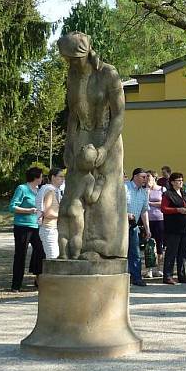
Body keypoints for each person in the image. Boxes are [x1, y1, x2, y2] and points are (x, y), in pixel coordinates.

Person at [56, 31, 128, 262]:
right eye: (67, 59)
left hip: (107, 137)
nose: (70, 63)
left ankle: (104, 248)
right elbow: (72, 115)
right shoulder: (72, 76)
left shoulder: (109, 73)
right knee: (77, 194)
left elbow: (119, 115)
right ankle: (76, 248)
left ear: (85, 53)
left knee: (104, 197)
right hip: (80, 138)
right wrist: (68, 143)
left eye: (73, 58)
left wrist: (106, 148)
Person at [9, 167, 46, 292]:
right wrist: (28, 211)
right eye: (41, 176)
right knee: (20, 255)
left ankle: (38, 279)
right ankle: (16, 285)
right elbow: (12, 206)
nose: (42, 179)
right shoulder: (22, 188)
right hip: (22, 226)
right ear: (35, 177)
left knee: (41, 252)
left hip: (36, 226)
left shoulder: (39, 190)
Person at [161, 172, 186, 284]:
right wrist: (177, 210)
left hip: (184, 226)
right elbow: (164, 208)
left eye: (181, 180)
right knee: (171, 252)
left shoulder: (183, 193)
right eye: (178, 180)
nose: (180, 182)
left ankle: (181, 275)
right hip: (173, 227)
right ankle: (167, 276)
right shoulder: (168, 194)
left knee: (182, 253)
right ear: (172, 182)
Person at [125, 168, 151, 286]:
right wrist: (125, 214)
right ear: (135, 177)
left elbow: (144, 211)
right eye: (143, 177)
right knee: (121, 252)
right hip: (120, 225)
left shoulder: (144, 192)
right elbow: (115, 205)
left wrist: (147, 228)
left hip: (134, 226)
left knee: (135, 252)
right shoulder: (125, 188)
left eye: (146, 177)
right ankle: (122, 276)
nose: (145, 179)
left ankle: (136, 277)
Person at [39, 168, 65, 260]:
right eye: (60, 177)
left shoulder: (56, 191)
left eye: (63, 177)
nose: (63, 179)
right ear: (53, 177)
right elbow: (48, 213)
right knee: (52, 258)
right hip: (49, 229)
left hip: (54, 228)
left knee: (56, 257)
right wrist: (63, 215)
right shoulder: (50, 191)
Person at [147, 171, 166, 277]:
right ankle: (149, 269)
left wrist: (150, 203)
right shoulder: (145, 190)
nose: (147, 179)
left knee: (159, 244)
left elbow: (163, 203)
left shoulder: (162, 189)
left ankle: (159, 268)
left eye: (148, 177)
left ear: (154, 178)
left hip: (159, 219)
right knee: (149, 245)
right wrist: (148, 190)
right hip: (148, 220)